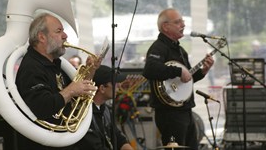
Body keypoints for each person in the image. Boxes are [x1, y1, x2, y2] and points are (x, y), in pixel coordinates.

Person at [15, 12, 101, 150]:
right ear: (42, 37)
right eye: (59, 31)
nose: (65, 36)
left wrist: (91, 70)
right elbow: (43, 107)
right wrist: (72, 90)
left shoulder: (54, 63)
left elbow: (77, 95)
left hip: (63, 142)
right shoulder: (31, 68)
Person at [142, 8, 214, 150]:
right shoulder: (158, 48)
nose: (183, 25)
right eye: (178, 22)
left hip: (186, 110)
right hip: (169, 114)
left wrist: (203, 71)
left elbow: (186, 80)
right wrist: (178, 70)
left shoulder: (181, 51)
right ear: (165, 27)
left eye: (183, 21)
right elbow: (149, 69)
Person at [75, 65, 133, 150]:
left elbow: (117, 137)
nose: (119, 87)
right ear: (102, 88)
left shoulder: (105, 109)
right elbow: (94, 146)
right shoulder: (84, 114)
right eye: (115, 84)